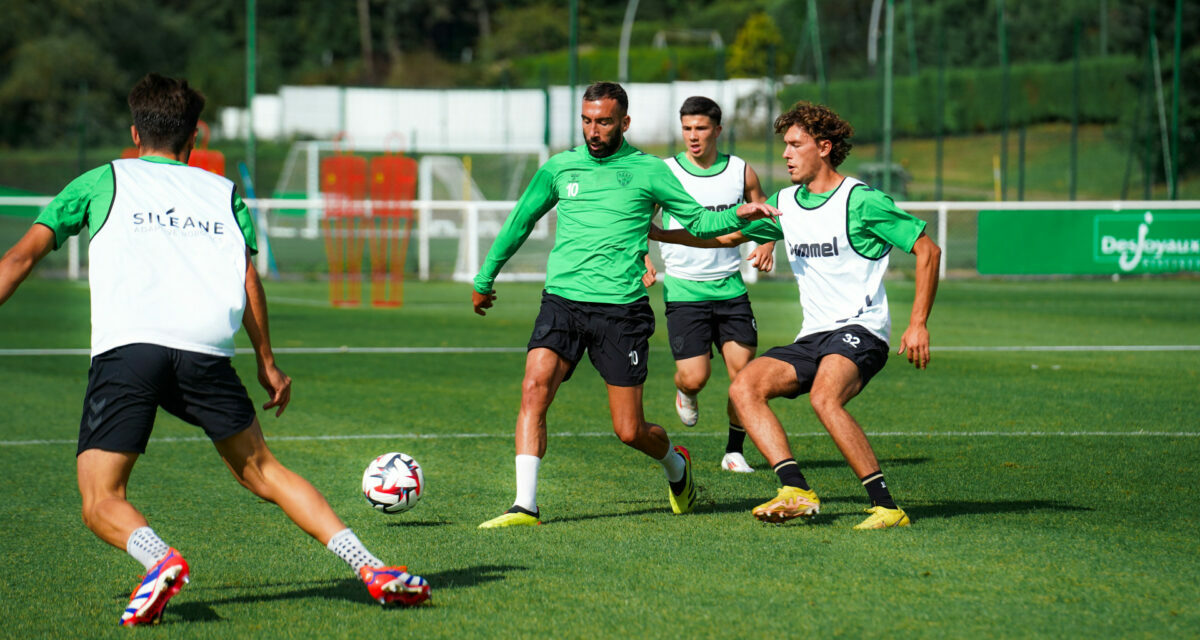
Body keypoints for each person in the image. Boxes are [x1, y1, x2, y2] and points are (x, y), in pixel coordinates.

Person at [0, 73, 429, 626]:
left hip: (131, 347)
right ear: (194, 138)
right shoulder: (221, 193)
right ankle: (371, 566)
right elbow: (248, 281)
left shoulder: (101, 180)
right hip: (206, 352)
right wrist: (268, 363)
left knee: (101, 496)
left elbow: (18, 259)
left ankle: (158, 560)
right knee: (263, 470)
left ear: (136, 133)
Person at [471, 82, 779, 528]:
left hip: (622, 312)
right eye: (586, 121)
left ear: (625, 123)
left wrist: (739, 215)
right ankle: (525, 505)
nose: (593, 131)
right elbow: (521, 221)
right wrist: (485, 277)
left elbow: (698, 221)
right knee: (535, 388)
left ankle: (676, 465)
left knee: (629, 430)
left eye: (604, 122)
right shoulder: (560, 168)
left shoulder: (650, 171)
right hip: (562, 302)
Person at [651, 101, 940, 530]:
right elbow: (728, 237)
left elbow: (927, 249)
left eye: (795, 145)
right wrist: (658, 234)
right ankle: (795, 489)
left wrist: (918, 323)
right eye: (784, 145)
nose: (785, 154)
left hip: (861, 329)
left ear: (824, 147)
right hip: (815, 336)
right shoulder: (786, 202)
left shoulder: (859, 200)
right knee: (744, 387)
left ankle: (886, 507)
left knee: (825, 397)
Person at [642, 95, 776, 474]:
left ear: (718, 130)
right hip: (685, 292)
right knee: (696, 376)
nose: (693, 136)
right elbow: (640, 218)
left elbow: (763, 206)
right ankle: (685, 391)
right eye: (686, 129)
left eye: (700, 128)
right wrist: (643, 257)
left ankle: (734, 452)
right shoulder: (665, 172)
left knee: (744, 376)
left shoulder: (740, 170)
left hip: (731, 289)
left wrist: (766, 243)